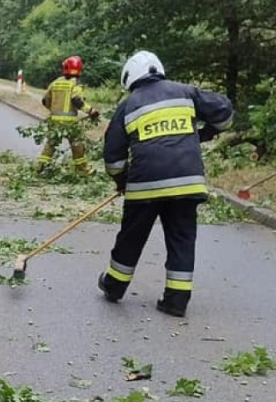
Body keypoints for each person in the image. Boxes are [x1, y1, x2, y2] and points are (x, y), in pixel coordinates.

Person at [98, 50, 234, 318]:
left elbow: (112, 157)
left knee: (131, 237)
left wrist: (121, 181)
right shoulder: (186, 92)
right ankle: (176, 300)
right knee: (182, 239)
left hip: (145, 186)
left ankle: (113, 286)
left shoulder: (127, 105)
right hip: (187, 183)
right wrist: (203, 134)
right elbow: (224, 111)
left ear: (130, 79)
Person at [37, 56, 99, 173]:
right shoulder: (75, 84)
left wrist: (54, 109)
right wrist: (91, 111)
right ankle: (83, 170)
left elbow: (45, 100)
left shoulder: (55, 83)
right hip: (70, 122)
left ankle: (41, 167)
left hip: (54, 120)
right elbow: (76, 100)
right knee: (77, 145)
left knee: (50, 145)